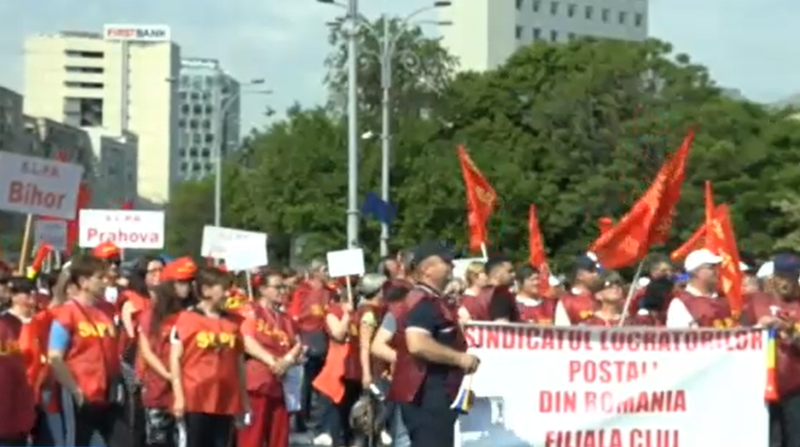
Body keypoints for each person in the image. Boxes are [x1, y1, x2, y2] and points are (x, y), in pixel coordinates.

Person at [389, 242, 480, 447]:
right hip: (426, 396)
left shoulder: (434, 301)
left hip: (437, 393)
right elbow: (418, 344)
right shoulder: (423, 303)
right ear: (427, 269)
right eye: (446, 262)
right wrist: (460, 358)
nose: (452, 266)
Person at [170, 266, 250, 447]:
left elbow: (238, 363)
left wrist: (243, 400)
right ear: (206, 290)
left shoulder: (233, 322)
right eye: (223, 288)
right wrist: (179, 396)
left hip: (225, 399)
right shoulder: (186, 319)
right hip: (195, 398)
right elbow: (175, 359)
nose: (228, 294)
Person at [47, 254, 122, 446]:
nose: (105, 283)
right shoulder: (67, 313)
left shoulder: (104, 313)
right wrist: (76, 391)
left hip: (104, 397)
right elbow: (55, 356)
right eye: (99, 277)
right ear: (83, 281)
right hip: (78, 397)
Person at [137, 257, 197, 447]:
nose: (185, 287)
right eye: (180, 282)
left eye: (189, 281)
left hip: (191, 389)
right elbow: (146, 351)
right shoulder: (152, 314)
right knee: (159, 441)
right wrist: (170, 376)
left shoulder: (195, 313)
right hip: (159, 388)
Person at [741, 254, 800, 447]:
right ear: (773, 277)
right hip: (761, 386)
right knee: (769, 440)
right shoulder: (757, 301)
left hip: (795, 387)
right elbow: (738, 336)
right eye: (782, 276)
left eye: (790, 277)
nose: (786, 282)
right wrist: (758, 328)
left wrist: (791, 331)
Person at [238, 270, 302, 447]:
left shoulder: (286, 318)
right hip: (258, 383)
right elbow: (247, 340)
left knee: (279, 438)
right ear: (264, 289)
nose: (283, 291)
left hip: (282, 385)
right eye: (278, 287)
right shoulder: (252, 311)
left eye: (284, 287)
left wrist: (287, 360)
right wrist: (273, 362)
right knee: (252, 437)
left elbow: (298, 344)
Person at [0, 280, 36, 446]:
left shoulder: (39, 320)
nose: (32, 298)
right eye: (27, 294)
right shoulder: (6, 323)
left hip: (28, 403)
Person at [666, 249, 732, 328]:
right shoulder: (680, 303)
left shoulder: (723, 299)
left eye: (717, 267)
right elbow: (678, 338)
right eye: (711, 267)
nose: (717, 271)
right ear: (695, 272)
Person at [459, 255, 514, 322]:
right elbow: (501, 326)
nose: (514, 274)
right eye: (509, 271)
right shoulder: (500, 293)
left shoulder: (481, 294)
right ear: (497, 274)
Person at [554, 254, 601, 326]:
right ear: (579, 276)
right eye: (592, 271)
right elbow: (563, 332)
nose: (596, 274)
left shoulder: (601, 298)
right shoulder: (566, 301)